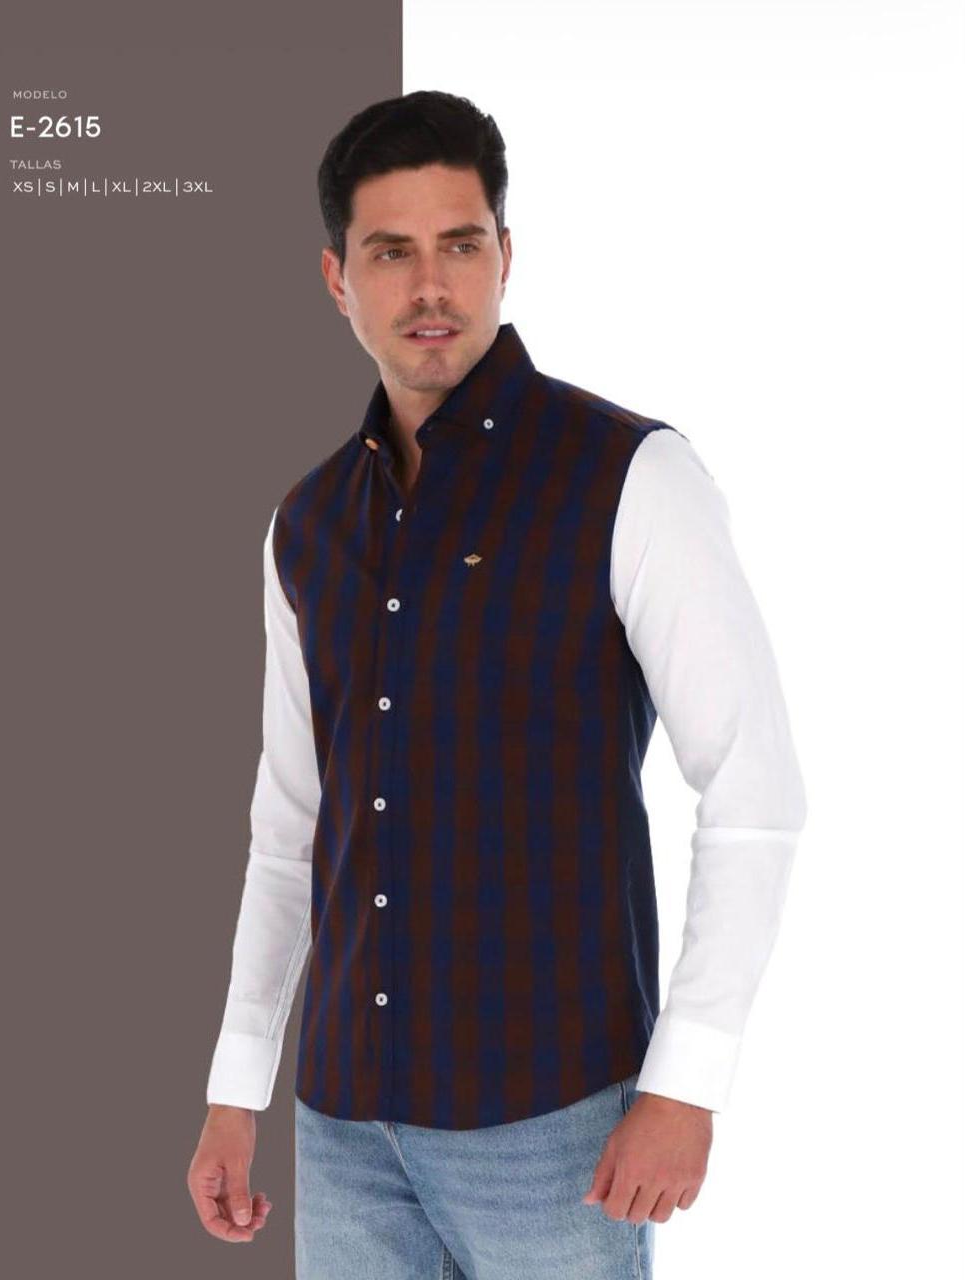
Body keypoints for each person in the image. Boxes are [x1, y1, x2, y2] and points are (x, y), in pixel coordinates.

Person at [187, 90, 807, 1278]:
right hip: (341, 1122)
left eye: (460, 244)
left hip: (556, 1126)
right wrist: (235, 1085)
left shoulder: (627, 475)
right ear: (337, 279)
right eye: (391, 252)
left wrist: (686, 1080)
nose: (432, 285)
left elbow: (754, 788)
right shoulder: (306, 525)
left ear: (504, 257)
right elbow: (290, 822)